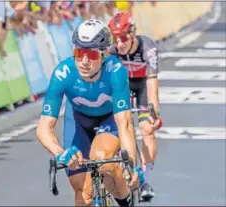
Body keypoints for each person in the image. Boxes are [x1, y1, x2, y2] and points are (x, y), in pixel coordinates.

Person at [36, 19, 145, 206]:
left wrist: (131, 165)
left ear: (103, 55)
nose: (84, 61)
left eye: (92, 55)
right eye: (79, 53)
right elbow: (43, 128)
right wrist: (60, 153)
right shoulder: (63, 73)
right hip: (78, 120)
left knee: (102, 159)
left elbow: (125, 124)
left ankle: (125, 199)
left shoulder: (115, 71)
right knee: (83, 196)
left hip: (109, 119)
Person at [108, 12, 163, 202]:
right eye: (115, 39)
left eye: (123, 38)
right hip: (121, 85)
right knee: (124, 126)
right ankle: (124, 168)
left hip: (141, 86)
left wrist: (154, 112)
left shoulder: (148, 47)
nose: (119, 43)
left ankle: (145, 179)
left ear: (133, 33)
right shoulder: (112, 50)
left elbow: (152, 84)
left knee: (147, 128)